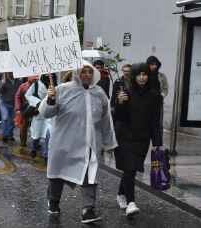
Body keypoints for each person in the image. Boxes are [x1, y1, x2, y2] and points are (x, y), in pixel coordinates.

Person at [39, 61, 117, 224]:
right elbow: (46, 113)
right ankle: (53, 201)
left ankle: (88, 209)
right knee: (57, 175)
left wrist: (109, 143)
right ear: (77, 73)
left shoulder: (99, 93)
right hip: (64, 143)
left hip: (89, 144)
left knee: (90, 174)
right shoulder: (62, 89)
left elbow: (106, 120)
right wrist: (51, 100)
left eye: (90, 71)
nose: (87, 74)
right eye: (83, 71)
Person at [113, 63, 163, 217]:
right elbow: (119, 117)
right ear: (134, 76)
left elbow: (155, 121)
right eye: (139, 74)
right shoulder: (125, 92)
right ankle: (131, 202)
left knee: (131, 169)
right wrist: (120, 103)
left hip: (142, 139)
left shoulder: (155, 96)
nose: (142, 77)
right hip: (125, 137)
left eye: (145, 74)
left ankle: (121, 194)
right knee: (130, 168)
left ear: (149, 76)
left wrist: (157, 143)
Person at [25, 74, 55, 159]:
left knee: (47, 134)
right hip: (38, 112)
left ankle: (45, 154)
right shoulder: (37, 84)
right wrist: (37, 102)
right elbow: (28, 95)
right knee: (36, 133)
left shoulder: (54, 85)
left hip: (48, 113)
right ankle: (34, 149)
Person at [14, 76, 38, 147]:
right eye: (32, 77)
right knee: (23, 127)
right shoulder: (23, 86)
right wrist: (18, 108)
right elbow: (17, 97)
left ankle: (35, 143)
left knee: (36, 127)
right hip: (25, 109)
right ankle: (23, 142)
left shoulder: (39, 86)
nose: (33, 78)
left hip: (36, 109)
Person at [147, 56, 168, 131]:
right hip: (147, 102)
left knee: (158, 123)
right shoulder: (144, 75)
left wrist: (161, 96)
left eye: (156, 64)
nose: (154, 66)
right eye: (152, 64)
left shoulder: (162, 76)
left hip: (158, 102)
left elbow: (165, 88)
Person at [0, 72, 21, 142]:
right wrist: (3, 83)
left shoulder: (18, 81)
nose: (10, 74)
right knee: (5, 118)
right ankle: (4, 135)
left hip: (14, 103)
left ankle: (10, 135)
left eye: (12, 73)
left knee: (12, 120)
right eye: (9, 73)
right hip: (4, 103)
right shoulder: (3, 81)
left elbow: (20, 92)